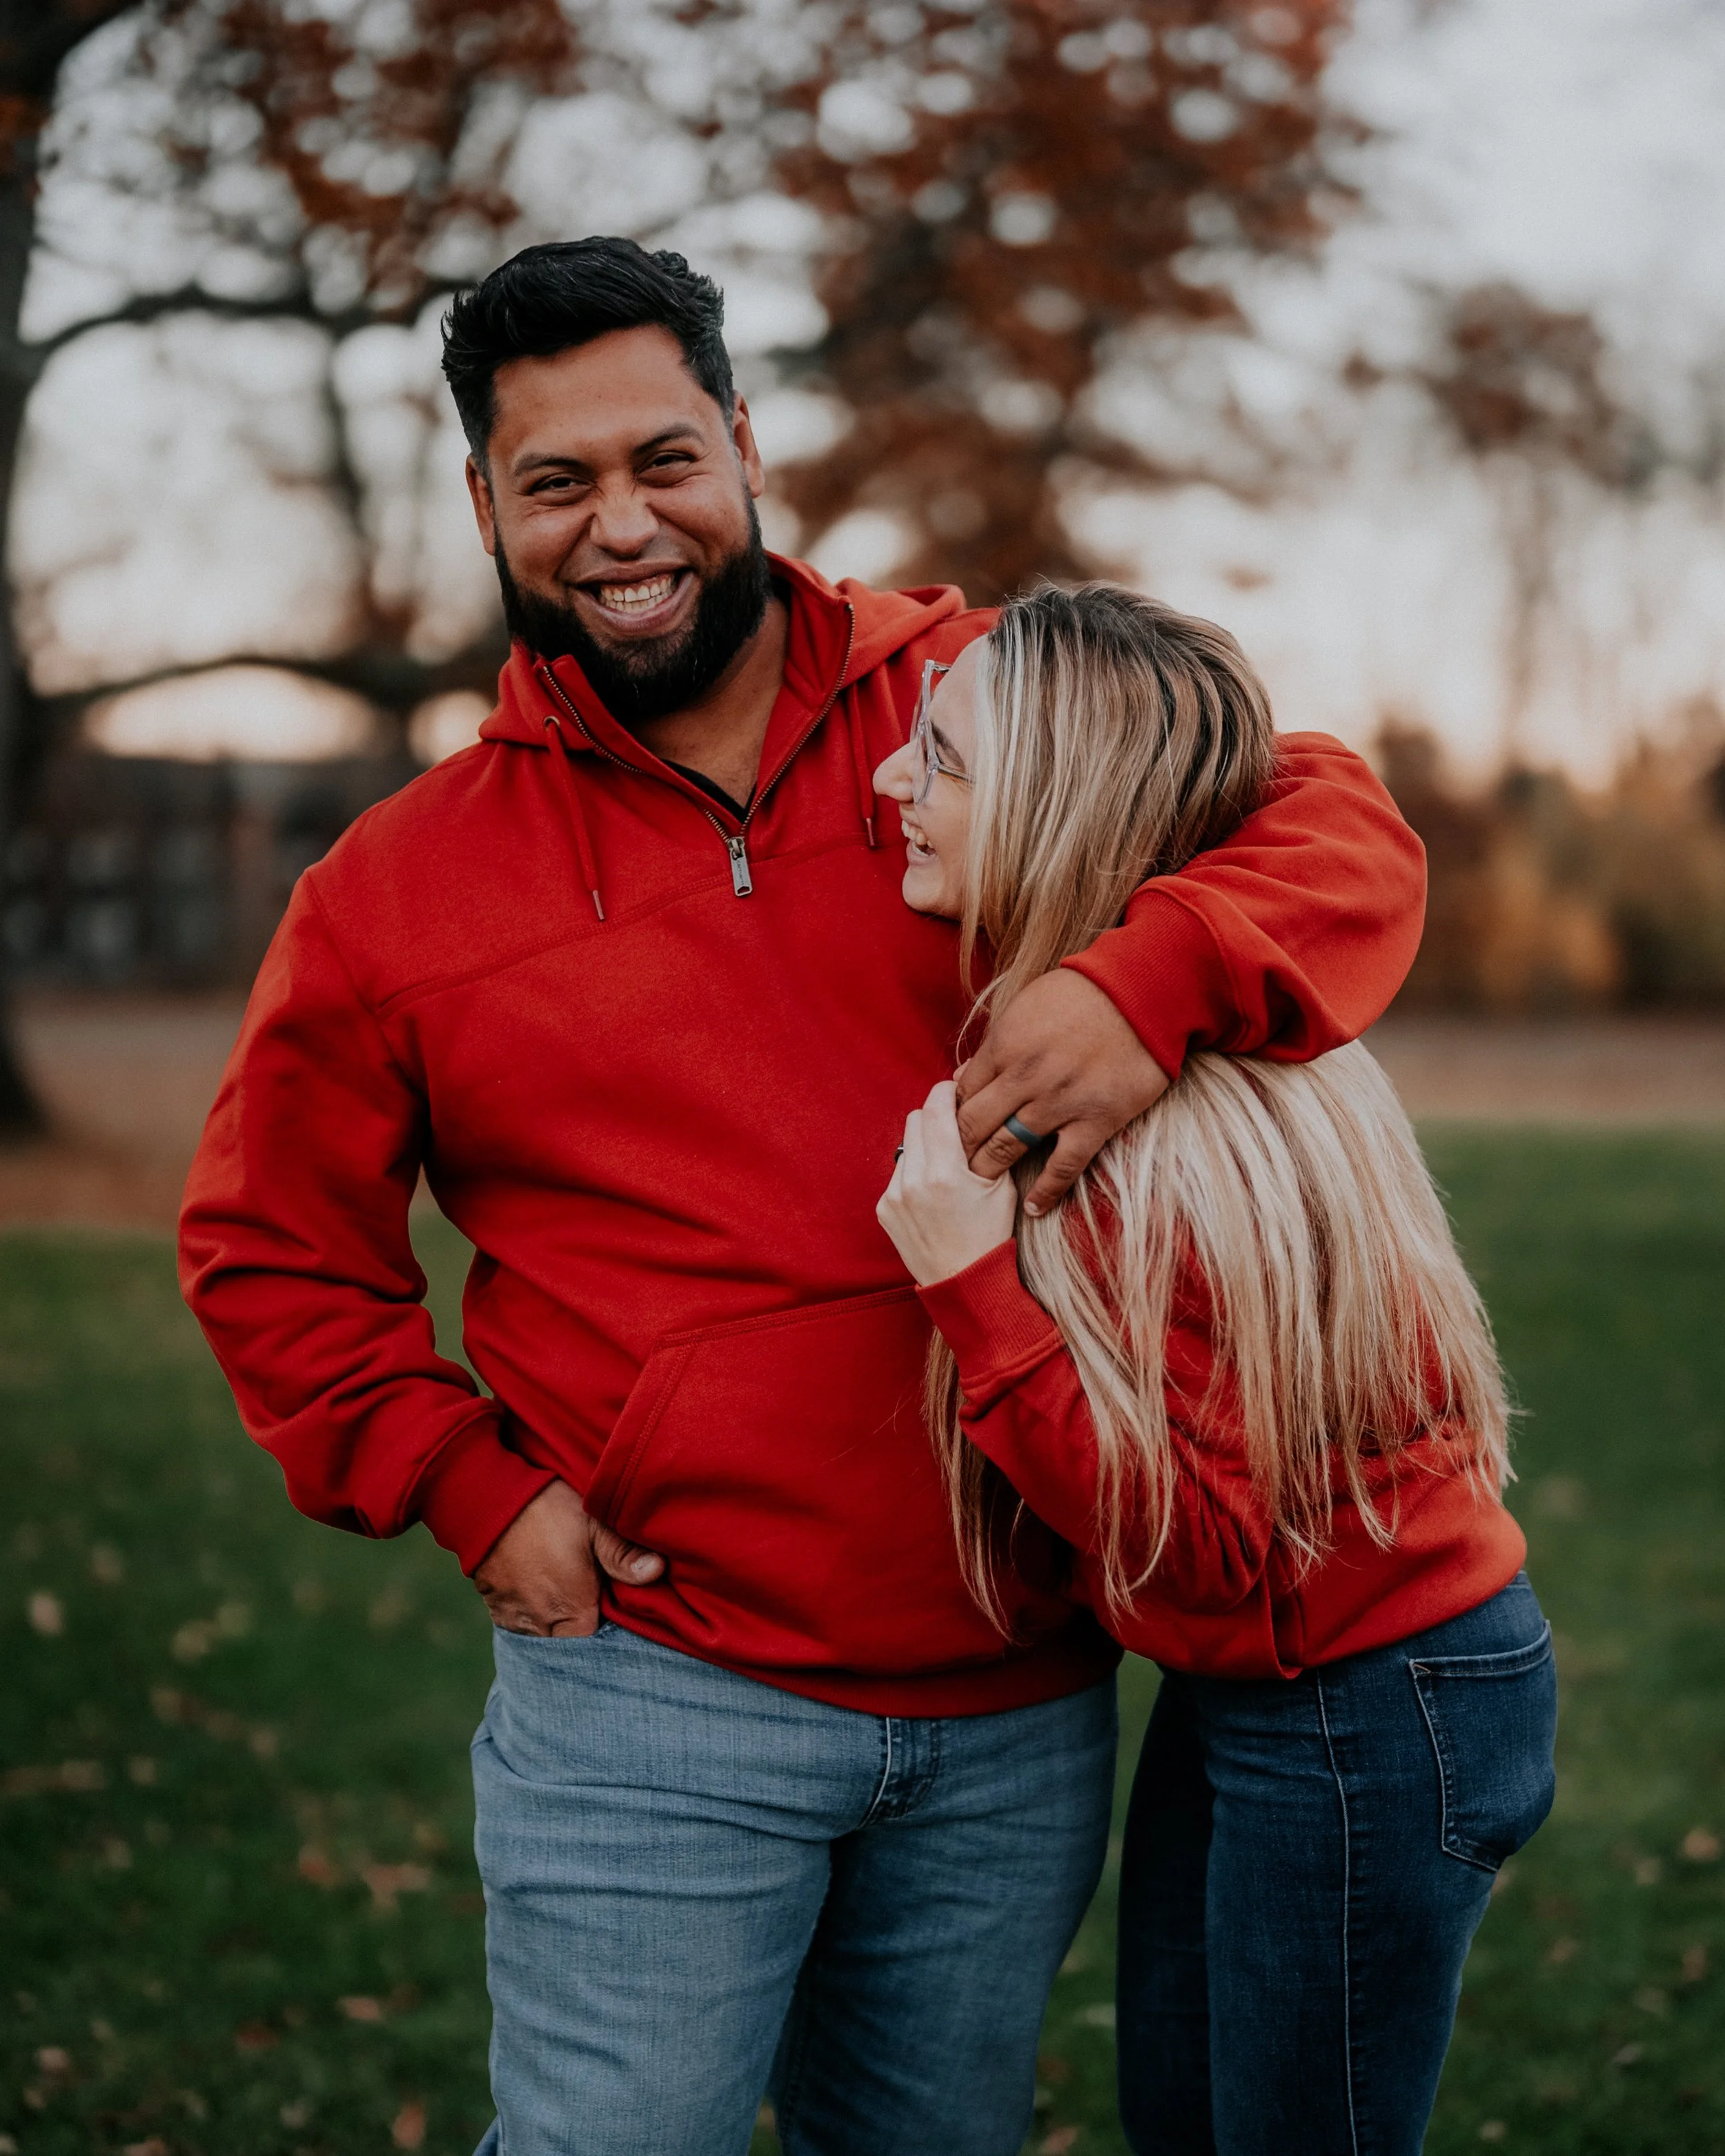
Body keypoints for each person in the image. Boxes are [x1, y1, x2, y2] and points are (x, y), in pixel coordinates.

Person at [179, 239, 1428, 2156]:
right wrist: (464, 1481)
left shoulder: (978, 695)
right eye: (557, 482)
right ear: (485, 506)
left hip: (1016, 1692)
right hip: (660, 1702)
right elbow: (271, 1248)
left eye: (662, 458)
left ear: (746, 446)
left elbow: (1331, 817)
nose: (623, 526)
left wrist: (1137, 978)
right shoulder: (391, 892)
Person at [876, 584, 1557, 2156]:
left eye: (944, 762)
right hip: (1273, 1683)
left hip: (1361, 1700)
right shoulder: (1147, 1040)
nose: (890, 784)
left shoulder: (1154, 1141)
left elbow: (1209, 1544)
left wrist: (973, 1286)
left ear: (1053, 804)